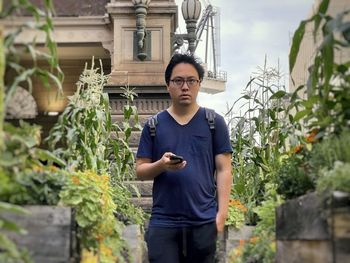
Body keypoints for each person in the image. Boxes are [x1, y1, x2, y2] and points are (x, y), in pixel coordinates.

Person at [136, 53, 232, 263]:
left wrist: (221, 216)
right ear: (168, 85)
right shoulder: (154, 125)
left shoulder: (214, 122)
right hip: (163, 224)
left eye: (191, 80)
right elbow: (140, 170)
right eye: (178, 81)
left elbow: (224, 170)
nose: (185, 86)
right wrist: (161, 165)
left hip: (203, 222)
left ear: (199, 84)